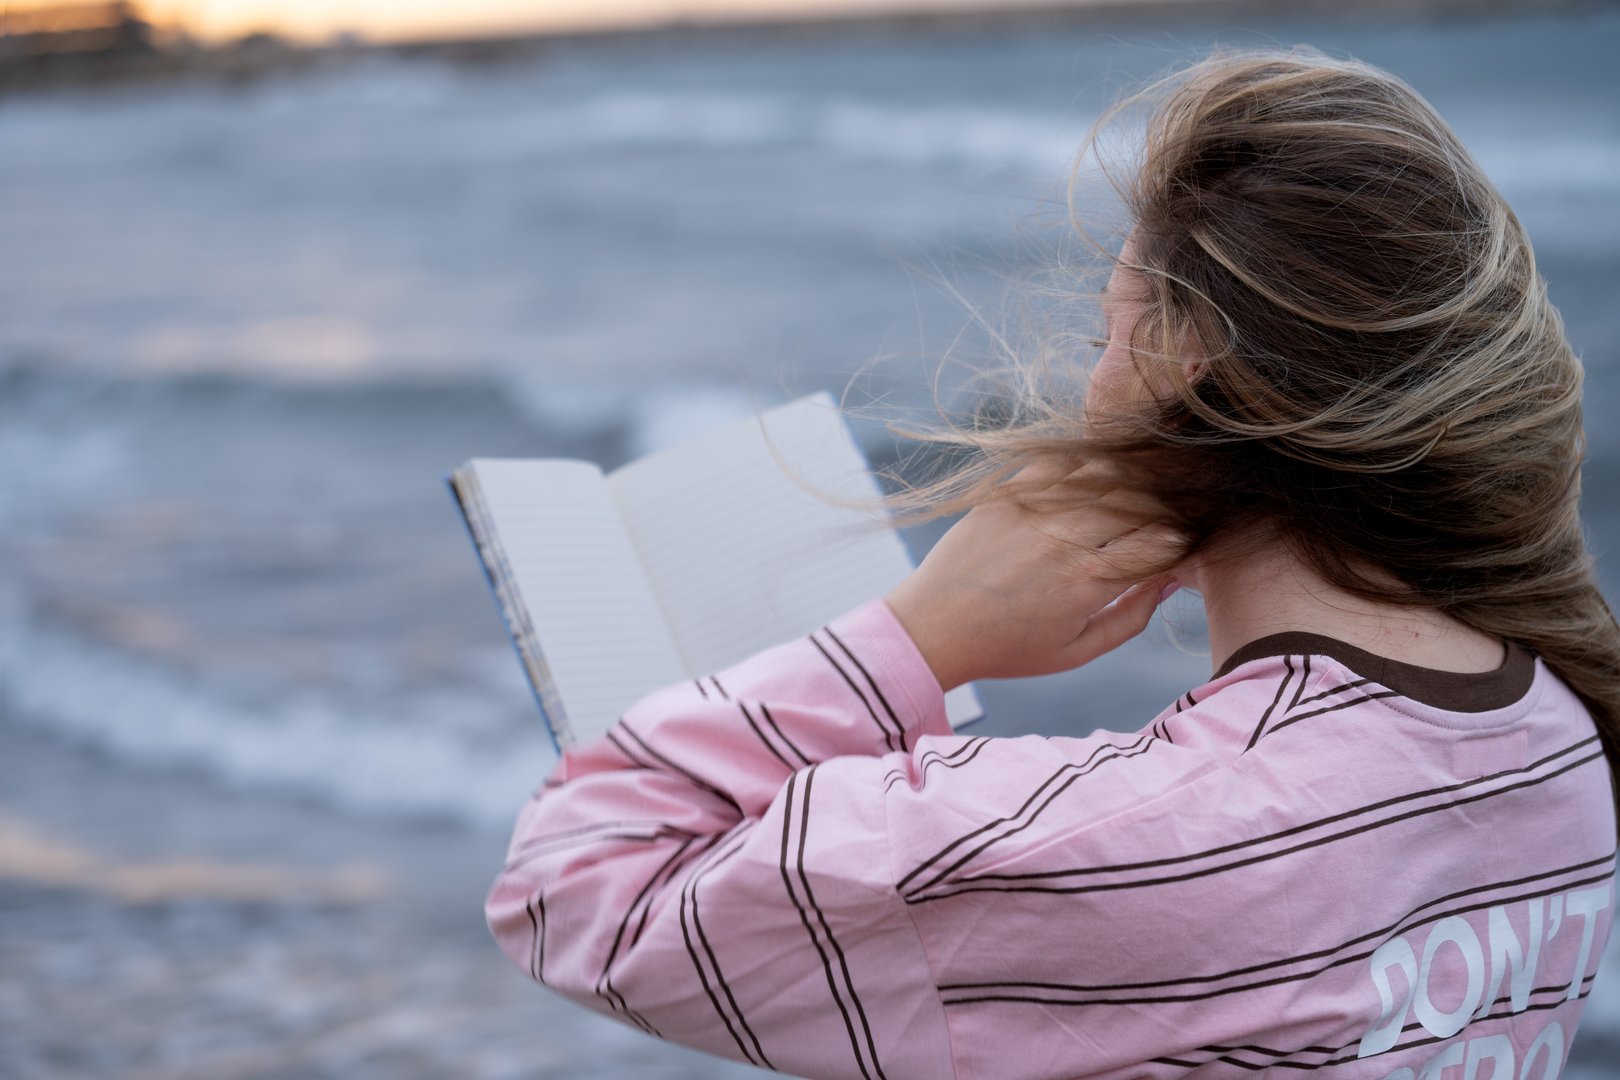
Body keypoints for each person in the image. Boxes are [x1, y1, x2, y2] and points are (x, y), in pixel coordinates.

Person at [485, 47, 1618, 1078]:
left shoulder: (1128, 842)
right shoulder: (1557, 747)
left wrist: (911, 639)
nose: (1092, 381)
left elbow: (573, 889)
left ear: (1182, 361)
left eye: (1105, 334)